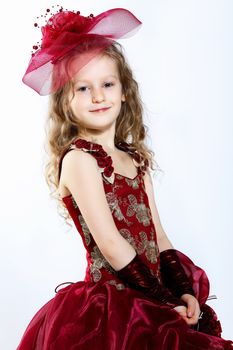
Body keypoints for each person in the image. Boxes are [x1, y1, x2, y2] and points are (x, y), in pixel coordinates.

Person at [17, 6, 233, 350]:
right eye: (83, 88)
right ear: (65, 101)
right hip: (111, 309)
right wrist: (164, 302)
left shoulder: (136, 160)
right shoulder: (79, 160)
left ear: (124, 91)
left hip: (153, 294)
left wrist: (184, 291)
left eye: (107, 84)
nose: (98, 96)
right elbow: (112, 245)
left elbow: (159, 237)